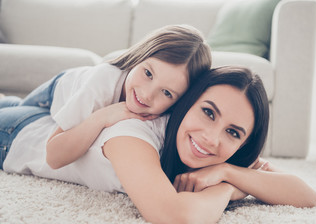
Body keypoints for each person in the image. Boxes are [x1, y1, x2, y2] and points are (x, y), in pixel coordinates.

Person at [0, 66, 316, 224]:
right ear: (186, 103)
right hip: (18, 136)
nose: (211, 138)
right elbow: (176, 216)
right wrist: (229, 188)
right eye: (208, 112)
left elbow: (306, 196)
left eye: (232, 132)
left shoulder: (223, 156)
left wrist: (227, 170)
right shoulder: (134, 133)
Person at [0, 24, 211, 167]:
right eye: (148, 73)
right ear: (138, 57)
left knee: (19, 111)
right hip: (59, 90)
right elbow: (54, 157)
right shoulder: (102, 81)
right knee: (19, 108)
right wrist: (102, 117)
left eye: (166, 93)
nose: (146, 95)